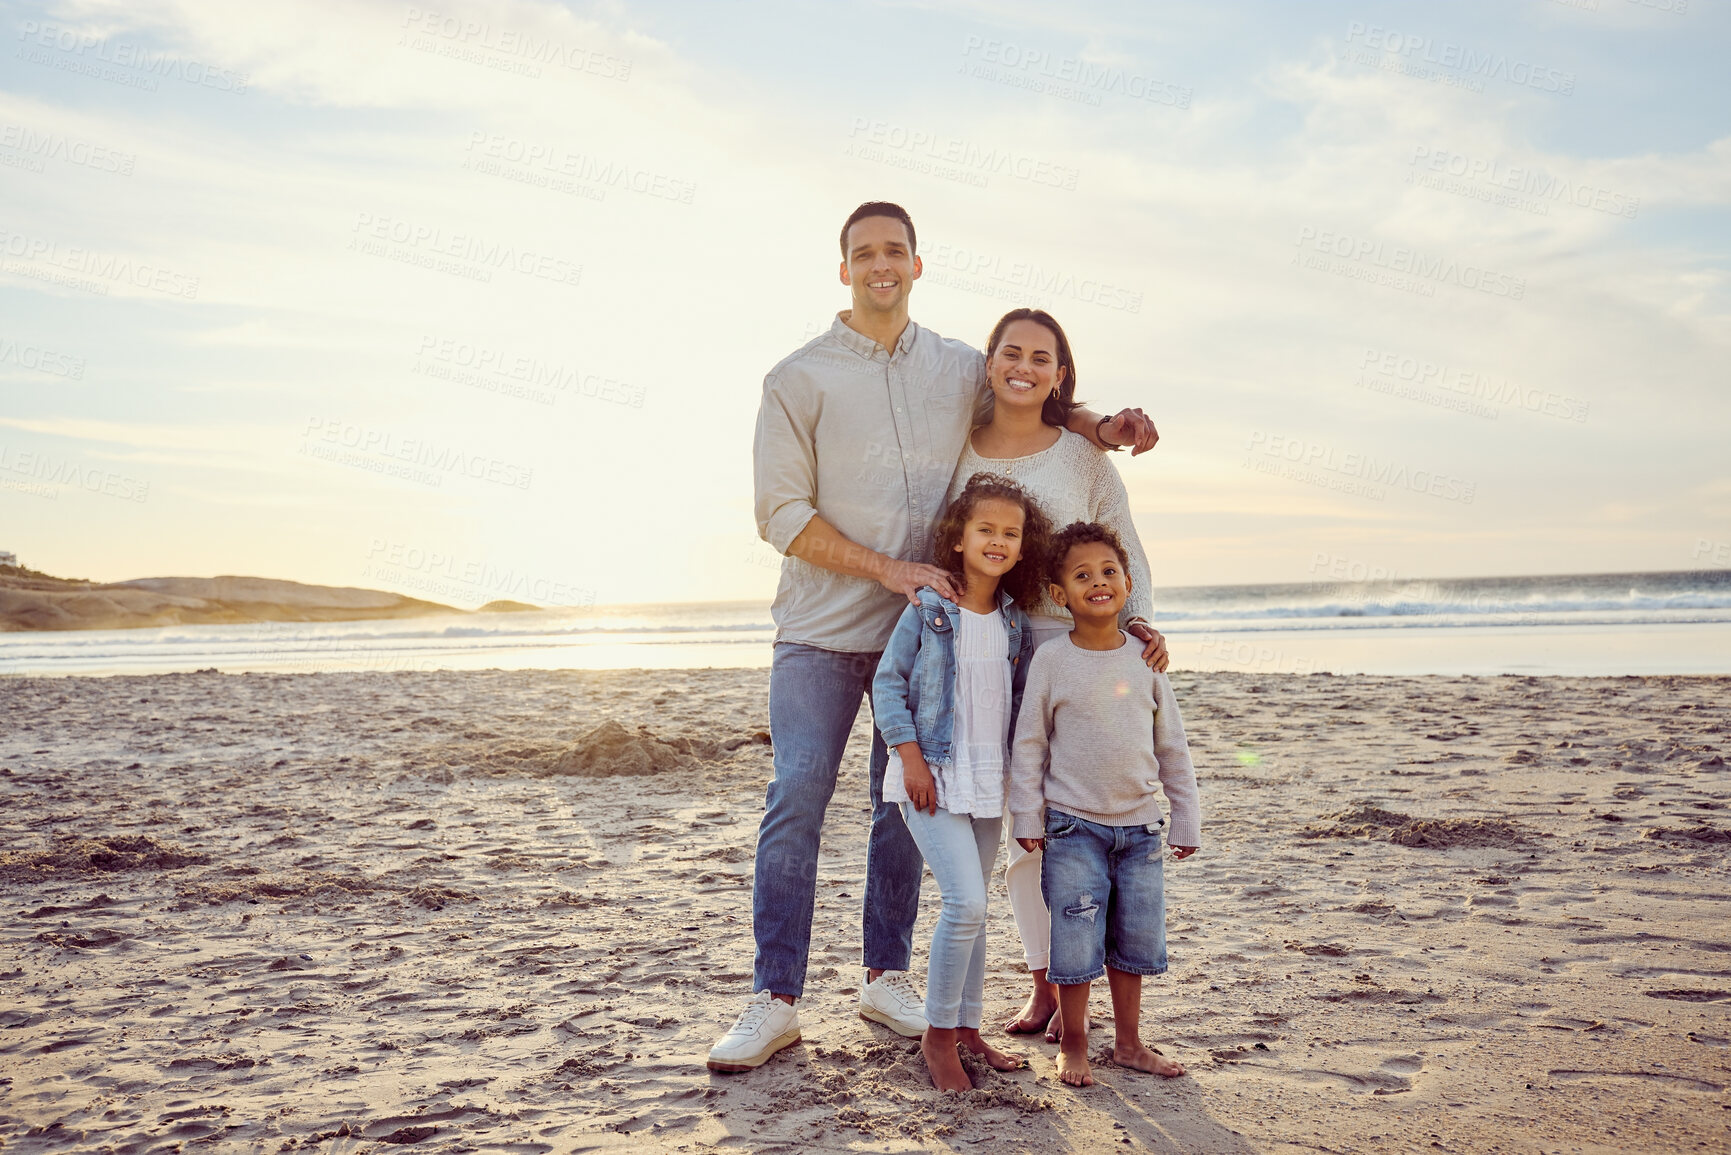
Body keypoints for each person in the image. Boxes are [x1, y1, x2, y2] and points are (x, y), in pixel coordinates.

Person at [708, 201, 1161, 1074]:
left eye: (896, 251)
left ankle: (885, 977)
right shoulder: (796, 378)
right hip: (821, 630)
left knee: (900, 809)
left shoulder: (957, 365)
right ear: (843, 269)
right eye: (863, 253)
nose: (881, 264)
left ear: (918, 264)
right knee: (797, 794)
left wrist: (1099, 427)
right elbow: (779, 514)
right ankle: (773, 999)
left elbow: (1030, 402)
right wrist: (891, 570)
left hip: (937, 641)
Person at [945, 308, 1165, 1041]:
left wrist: (1135, 626)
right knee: (1020, 825)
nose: (1025, 366)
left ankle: (1094, 985)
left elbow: (1121, 545)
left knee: (1079, 815)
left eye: (1042, 357)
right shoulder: (957, 447)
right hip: (984, 649)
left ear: (1059, 374)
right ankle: (1043, 982)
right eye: (1011, 352)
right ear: (989, 362)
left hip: (1072, 647)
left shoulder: (1082, 454)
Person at [1007, 522, 1201, 1088]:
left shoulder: (1146, 657)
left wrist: (1184, 815)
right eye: (1082, 575)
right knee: (1074, 936)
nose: (1098, 582)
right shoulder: (1050, 660)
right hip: (1072, 827)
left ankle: (1131, 1044)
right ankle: (1074, 1043)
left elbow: (1172, 744)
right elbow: (1030, 744)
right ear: (1060, 594)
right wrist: (1027, 815)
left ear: (1127, 581)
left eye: (1109, 572)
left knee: (1133, 939)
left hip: (1141, 827)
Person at [870, 474, 1047, 1091]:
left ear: (1023, 548)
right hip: (929, 776)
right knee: (966, 903)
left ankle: (969, 1030)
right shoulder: (927, 607)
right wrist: (910, 755)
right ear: (959, 539)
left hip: (985, 777)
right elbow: (888, 684)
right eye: (986, 530)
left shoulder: (1013, 620)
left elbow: (1016, 702)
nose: (997, 541)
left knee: (977, 914)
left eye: (1010, 533)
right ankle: (938, 1037)